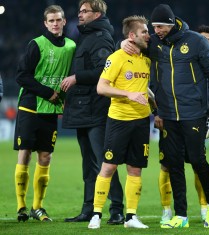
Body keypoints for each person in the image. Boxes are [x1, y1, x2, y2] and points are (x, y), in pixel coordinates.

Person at [61, 0, 124, 224]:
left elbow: (103, 71)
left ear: (97, 14)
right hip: (82, 109)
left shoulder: (101, 38)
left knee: (104, 161)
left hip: (96, 109)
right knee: (89, 164)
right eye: (79, 10)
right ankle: (88, 208)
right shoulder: (88, 36)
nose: (80, 14)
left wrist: (76, 77)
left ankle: (117, 208)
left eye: (85, 11)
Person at [87, 15, 151, 230]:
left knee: (135, 169)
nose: (148, 35)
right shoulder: (117, 57)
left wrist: (153, 102)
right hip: (119, 120)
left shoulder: (146, 58)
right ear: (132, 35)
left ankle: (131, 216)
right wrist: (128, 94)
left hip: (142, 121)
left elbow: (143, 86)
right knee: (109, 167)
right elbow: (101, 87)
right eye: (144, 32)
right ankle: (96, 214)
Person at [14, 5, 76, 222]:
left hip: (51, 109)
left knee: (46, 156)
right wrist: (47, 92)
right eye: (51, 21)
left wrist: (64, 99)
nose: (55, 24)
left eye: (58, 20)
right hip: (30, 106)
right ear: (45, 24)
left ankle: (37, 207)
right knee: (25, 153)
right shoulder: (36, 44)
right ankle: (21, 206)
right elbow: (22, 76)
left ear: (64, 21)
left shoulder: (71, 46)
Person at [157, 24, 209, 224]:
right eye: (153, 26)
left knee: (197, 161)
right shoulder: (160, 43)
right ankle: (180, 214)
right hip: (170, 115)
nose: (156, 30)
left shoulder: (198, 47)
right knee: (173, 164)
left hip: (194, 113)